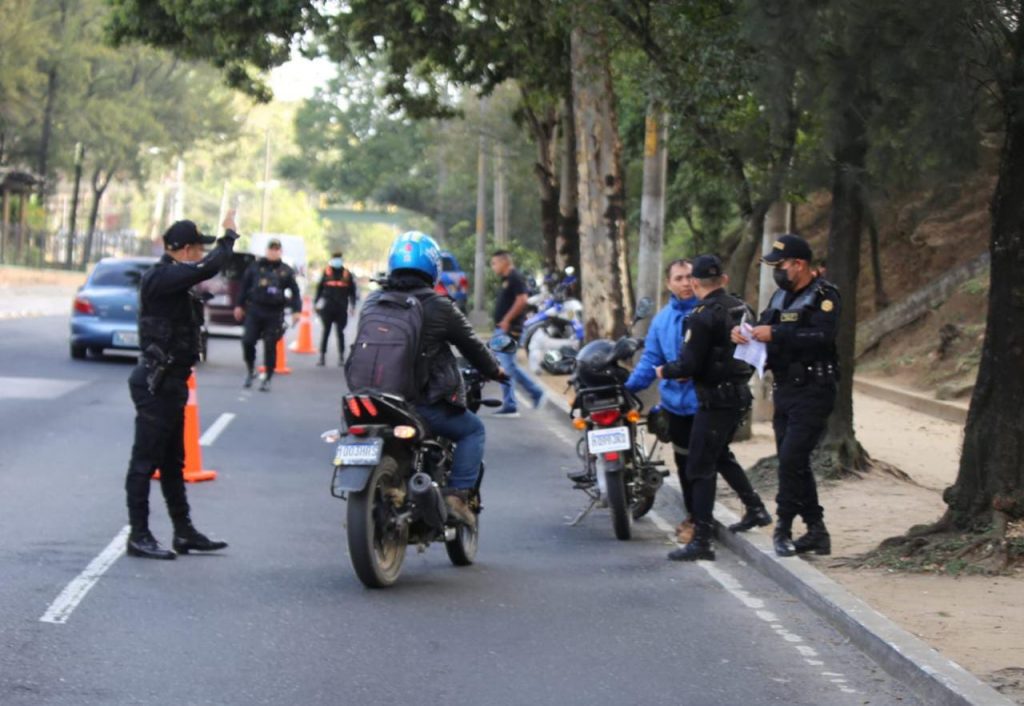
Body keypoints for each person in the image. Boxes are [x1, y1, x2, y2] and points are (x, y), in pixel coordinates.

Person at [367, 232, 507, 525]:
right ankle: (456, 496)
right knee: (473, 430)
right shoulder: (439, 306)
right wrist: (496, 371)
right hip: (418, 404)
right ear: (433, 267)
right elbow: (472, 346)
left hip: (373, 399)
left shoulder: (373, 301)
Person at [124, 214, 239, 560]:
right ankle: (138, 535)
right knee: (144, 462)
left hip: (173, 382)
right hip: (156, 383)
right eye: (199, 247)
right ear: (186, 249)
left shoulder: (176, 280)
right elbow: (210, 266)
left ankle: (184, 532)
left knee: (174, 462)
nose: (201, 253)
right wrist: (229, 235)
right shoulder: (163, 277)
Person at [732, 234, 839, 557]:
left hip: (815, 389)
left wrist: (777, 333)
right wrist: (743, 333)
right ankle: (817, 530)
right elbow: (761, 328)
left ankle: (784, 527)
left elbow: (823, 335)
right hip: (786, 390)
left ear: (799, 264)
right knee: (794, 461)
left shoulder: (825, 295)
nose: (777, 272)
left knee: (791, 459)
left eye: (780, 266)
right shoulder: (780, 298)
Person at [657, 254, 769, 562]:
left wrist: (664, 371)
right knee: (719, 455)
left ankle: (702, 539)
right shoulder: (741, 307)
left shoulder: (701, 315)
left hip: (714, 400)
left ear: (694, 283)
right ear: (724, 279)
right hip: (738, 395)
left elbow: (688, 363)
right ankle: (756, 508)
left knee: (698, 466)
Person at [619, 259, 701, 543]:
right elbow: (650, 360)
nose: (686, 283)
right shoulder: (662, 320)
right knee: (684, 463)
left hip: (705, 403)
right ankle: (695, 516)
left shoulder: (708, 312)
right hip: (674, 405)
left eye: (690, 277)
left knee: (702, 465)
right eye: (679, 278)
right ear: (669, 284)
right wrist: (627, 388)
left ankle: (700, 521)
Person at [234, 239, 301, 392]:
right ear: (267, 250)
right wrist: (239, 305)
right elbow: (244, 287)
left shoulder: (286, 271)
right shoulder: (255, 267)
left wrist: (297, 311)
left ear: (280, 252)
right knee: (247, 341)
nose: (274, 252)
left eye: (277, 249)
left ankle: (268, 378)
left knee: (270, 345)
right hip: (255, 310)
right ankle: (251, 369)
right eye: (271, 249)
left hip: (274, 312)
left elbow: (295, 292)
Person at [489, 250, 546, 417]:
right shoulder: (507, 279)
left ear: (504, 262)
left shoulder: (515, 277)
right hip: (502, 329)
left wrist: (507, 320)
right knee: (506, 365)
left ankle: (525, 397)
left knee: (507, 366)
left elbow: (522, 300)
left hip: (509, 329)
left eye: (495, 263)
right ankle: (514, 401)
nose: (493, 267)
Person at [314, 251, 358, 367]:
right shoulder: (326, 272)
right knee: (326, 332)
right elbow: (319, 289)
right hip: (327, 308)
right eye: (335, 258)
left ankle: (341, 357)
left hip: (341, 308)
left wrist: (353, 306)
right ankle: (322, 357)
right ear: (332, 260)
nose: (337, 261)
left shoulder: (347, 274)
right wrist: (315, 303)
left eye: (339, 258)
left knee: (340, 333)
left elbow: (352, 292)